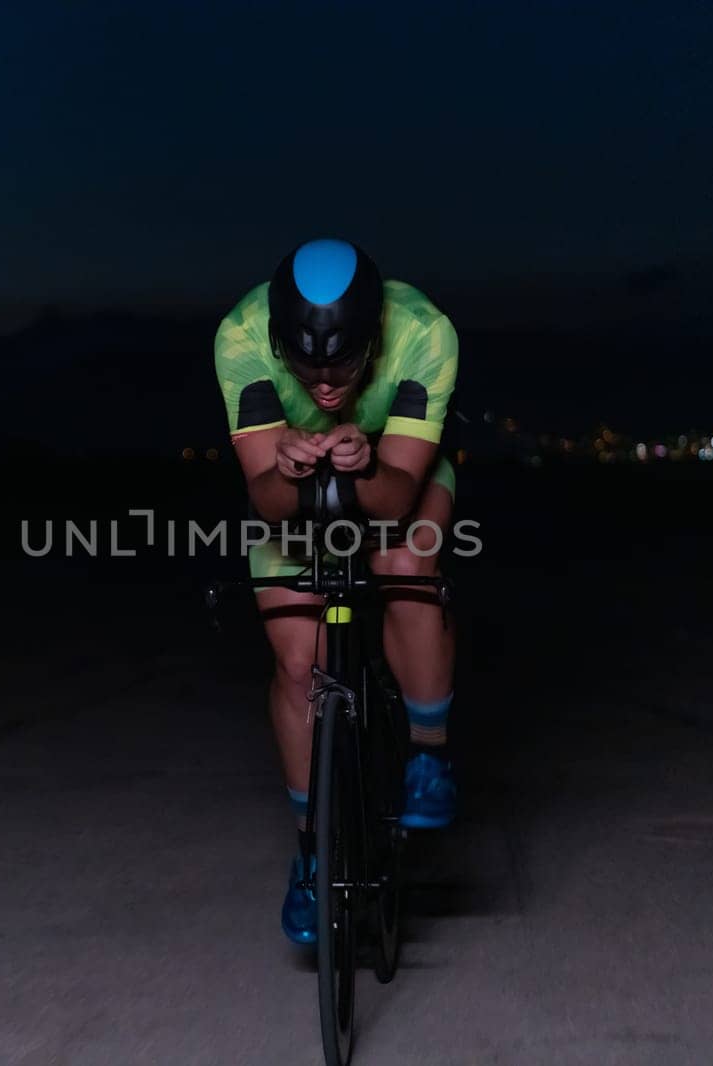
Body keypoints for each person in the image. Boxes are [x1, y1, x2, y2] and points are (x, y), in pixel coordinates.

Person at [214, 238, 460, 944]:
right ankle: (311, 859)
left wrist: (363, 465)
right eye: (307, 366)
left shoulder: (424, 333)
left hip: (395, 474)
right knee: (299, 665)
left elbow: (398, 500)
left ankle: (428, 751)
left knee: (408, 568)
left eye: (345, 364)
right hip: (293, 494)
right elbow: (266, 501)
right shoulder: (239, 336)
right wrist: (288, 473)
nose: (325, 386)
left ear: (375, 339)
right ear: (276, 340)